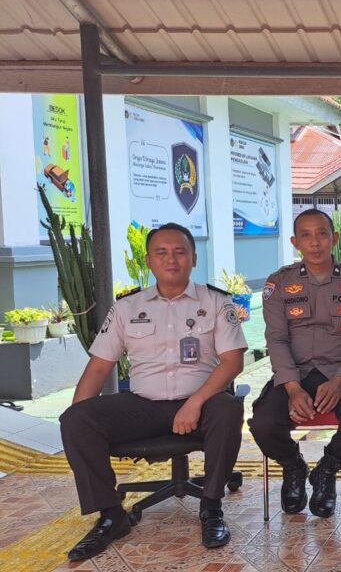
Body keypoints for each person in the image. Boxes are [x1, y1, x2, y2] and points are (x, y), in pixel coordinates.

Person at [60, 223, 247, 560]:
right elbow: (99, 367)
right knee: (76, 419)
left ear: (193, 258)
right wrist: (79, 422)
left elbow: (233, 362)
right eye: (161, 252)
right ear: (148, 260)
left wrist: (195, 402)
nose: (171, 259)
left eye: (179, 251)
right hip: (143, 405)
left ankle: (211, 506)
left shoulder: (217, 302)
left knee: (228, 408)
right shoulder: (127, 307)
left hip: (201, 404)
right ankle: (111, 516)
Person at [248, 209, 341, 518]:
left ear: (334, 238)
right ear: (295, 242)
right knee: (263, 423)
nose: (315, 242)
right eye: (306, 235)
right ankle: (294, 465)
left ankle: (326, 470)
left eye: (322, 234)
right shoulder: (279, 282)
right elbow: (276, 338)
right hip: (295, 373)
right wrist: (292, 388)